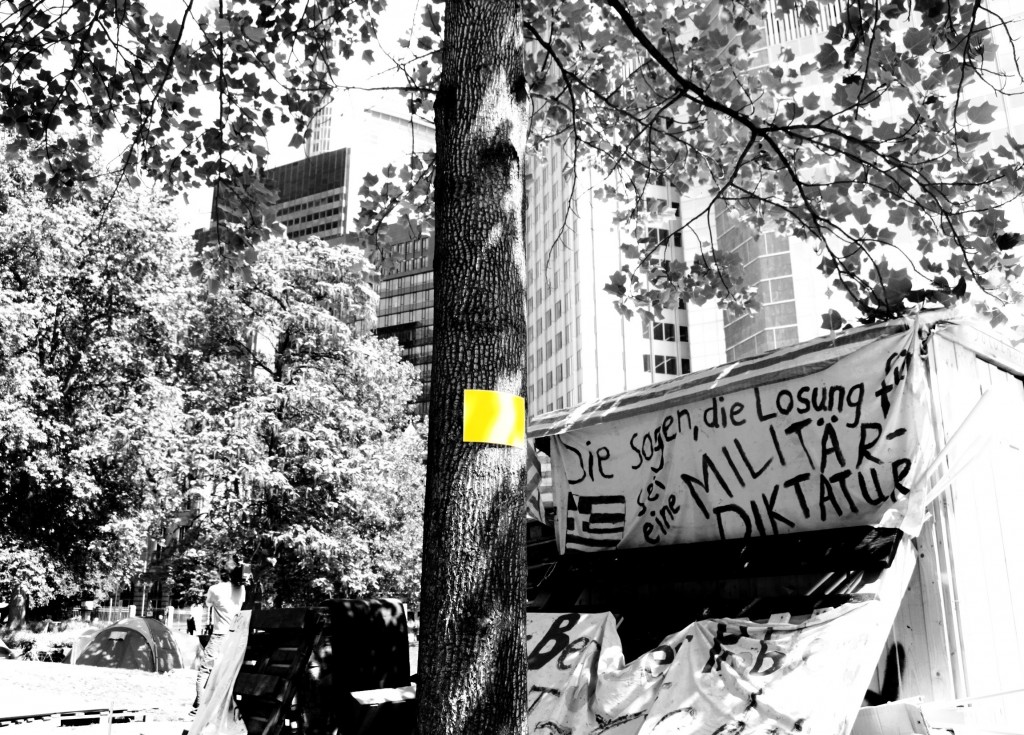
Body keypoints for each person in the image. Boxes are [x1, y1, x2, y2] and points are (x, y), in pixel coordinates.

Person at [190, 559, 245, 717]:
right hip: (235, 637)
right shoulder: (242, 590)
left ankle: (200, 706)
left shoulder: (214, 589)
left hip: (219, 635)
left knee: (205, 671)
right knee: (226, 672)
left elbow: (208, 604)